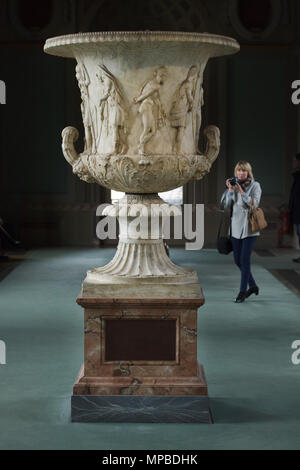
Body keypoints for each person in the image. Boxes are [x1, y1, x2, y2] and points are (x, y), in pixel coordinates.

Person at [221, 161, 262, 303]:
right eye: (239, 170)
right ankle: (254, 286)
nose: (241, 173)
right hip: (235, 228)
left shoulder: (255, 185)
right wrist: (231, 191)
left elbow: (254, 204)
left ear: (248, 172)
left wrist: (242, 192)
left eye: (244, 171)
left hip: (249, 229)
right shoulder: (233, 186)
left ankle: (242, 292)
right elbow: (226, 206)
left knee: (245, 260)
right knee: (237, 260)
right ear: (235, 172)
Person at [289, 154, 300, 263]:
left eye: (295, 161)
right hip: (296, 210)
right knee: (299, 233)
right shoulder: (296, 176)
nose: (293, 163)